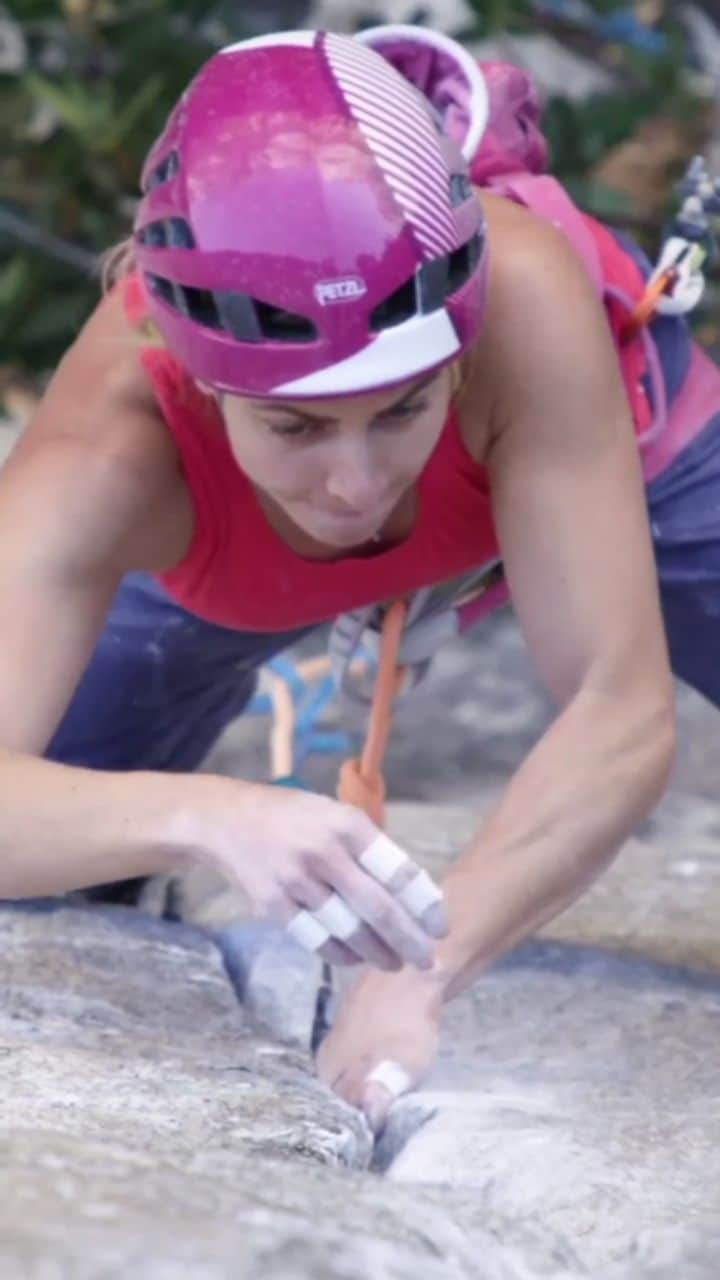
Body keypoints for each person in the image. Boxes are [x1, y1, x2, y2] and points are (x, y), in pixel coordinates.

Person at [8, 23, 719, 1136]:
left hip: (611, 441)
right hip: (219, 550)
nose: (356, 487)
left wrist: (415, 972)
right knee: (53, 866)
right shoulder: (117, 439)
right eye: (294, 424)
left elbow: (618, 708)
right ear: (198, 382)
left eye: (401, 408)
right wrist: (212, 817)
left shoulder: (523, 312)